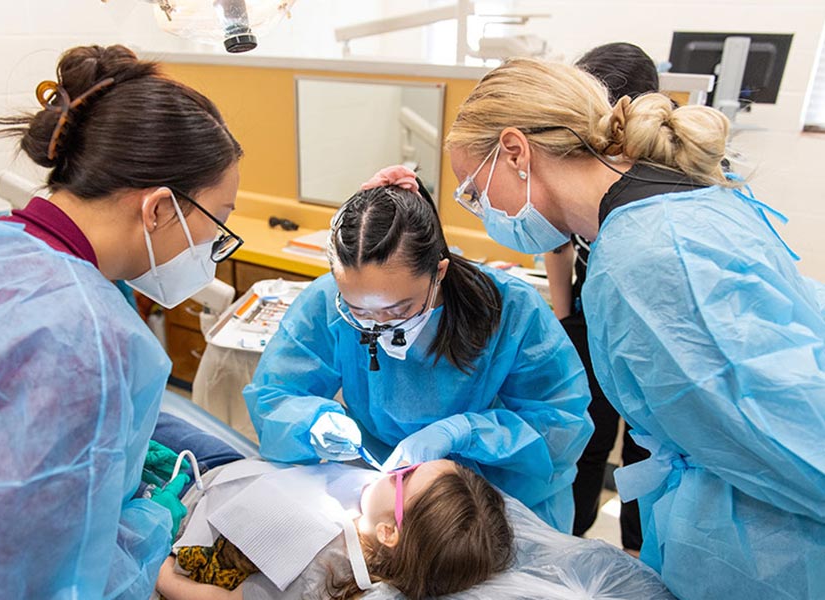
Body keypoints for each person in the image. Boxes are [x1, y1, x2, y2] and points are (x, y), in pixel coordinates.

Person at [445, 56, 825, 600]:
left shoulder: (644, 258)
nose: (482, 210)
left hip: (773, 554)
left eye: (474, 192)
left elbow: (795, 442)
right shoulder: (678, 201)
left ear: (514, 151)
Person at [0, 45, 244, 599]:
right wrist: (146, 524)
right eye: (216, 224)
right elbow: (38, 578)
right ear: (159, 209)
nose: (212, 248)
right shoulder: (87, 342)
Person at [244, 174, 593, 533]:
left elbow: (559, 426)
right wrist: (310, 422)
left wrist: (466, 433)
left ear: (438, 272)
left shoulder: (510, 310)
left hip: (489, 495)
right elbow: (275, 396)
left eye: (398, 309)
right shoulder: (326, 303)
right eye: (360, 312)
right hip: (380, 483)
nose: (378, 326)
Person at [543, 42, 658, 551]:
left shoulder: (663, 173)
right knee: (586, 437)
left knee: (648, 447)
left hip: (654, 326)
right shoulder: (581, 150)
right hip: (592, 314)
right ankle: (576, 543)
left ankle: (640, 549)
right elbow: (556, 236)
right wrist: (568, 317)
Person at [155, 458, 515, 600]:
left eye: (404, 477)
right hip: (234, 478)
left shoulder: (316, 567)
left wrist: (160, 573)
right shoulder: (372, 535)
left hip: (190, 506)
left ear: (389, 533)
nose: (396, 469)